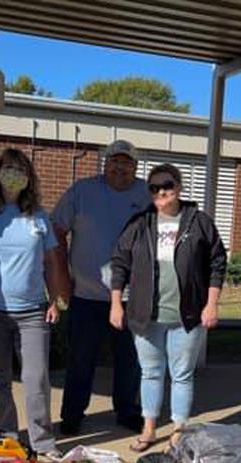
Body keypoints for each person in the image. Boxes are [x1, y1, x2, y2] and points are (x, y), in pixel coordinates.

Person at [109, 163, 226, 452]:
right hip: (145, 315)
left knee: (182, 374)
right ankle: (149, 428)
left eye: (168, 185)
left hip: (187, 315)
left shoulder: (198, 221)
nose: (162, 192)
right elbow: (120, 263)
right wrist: (116, 304)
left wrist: (211, 304)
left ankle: (179, 430)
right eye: (155, 187)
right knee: (150, 372)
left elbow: (217, 263)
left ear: (179, 187)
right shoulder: (140, 223)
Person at [0, 148, 67, 461]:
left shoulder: (38, 215)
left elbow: (51, 260)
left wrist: (55, 298)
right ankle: (5, 437)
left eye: (20, 169)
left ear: (29, 177)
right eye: (8, 168)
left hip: (33, 312)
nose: (14, 174)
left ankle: (42, 442)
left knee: (36, 379)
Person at [52, 139, 150, 436]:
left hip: (132, 297)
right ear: (105, 163)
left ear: (135, 166)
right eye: (114, 161)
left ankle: (127, 411)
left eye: (127, 162)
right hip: (86, 294)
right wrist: (62, 278)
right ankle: (72, 414)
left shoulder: (147, 194)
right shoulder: (82, 191)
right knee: (81, 359)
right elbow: (56, 229)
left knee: (130, 360)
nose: (120, 167)